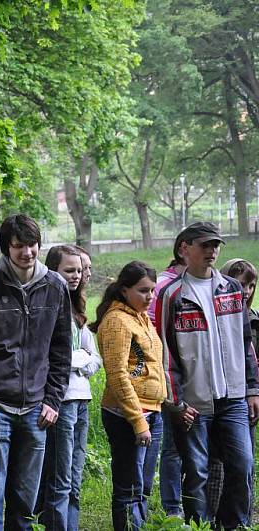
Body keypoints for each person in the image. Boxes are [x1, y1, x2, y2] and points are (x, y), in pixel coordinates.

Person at [0, 214, 72, 531]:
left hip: (37, 407)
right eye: (19, 246)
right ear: (7, 247)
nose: (27, 253)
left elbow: (62, 350)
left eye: (32, 245)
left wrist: (53, 400)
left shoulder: (56, 287)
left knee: (24, 501)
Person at [155, 222, 259, 527]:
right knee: (197, 470)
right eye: (204, 245)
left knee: (242, 465)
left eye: (216, 246)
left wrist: (253, 389)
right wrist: (176, 401)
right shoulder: (171, 294)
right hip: (194, 402)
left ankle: (233, 524)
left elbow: (245, 342)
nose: (212, 251)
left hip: (234, 398)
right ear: (185, 249)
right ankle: (199, 524)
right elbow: (166, 351)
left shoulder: (232, 288)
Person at [89, 261, 165, 531]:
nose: (150, 297)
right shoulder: (117, 321)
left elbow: (147, 365)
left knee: (142, 485)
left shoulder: (141, 317)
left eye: (153, 291)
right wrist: (138, 421)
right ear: (124, 290)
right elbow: (118, 375)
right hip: (127, 415)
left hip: (152, 411)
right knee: (129, 486)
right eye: (143, 291)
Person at [38, 245, 101, 531]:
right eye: (69, 270)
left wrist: (78, 361)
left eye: (79, 270)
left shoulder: (77, 308)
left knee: (75, 478)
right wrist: (77, 360)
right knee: (59, 479)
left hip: (82, 399)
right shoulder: (47, 305)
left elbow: (94, 358)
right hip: (60, 402)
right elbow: (52, 356)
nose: (76, 276)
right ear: (53, 270)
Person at [205, 258, 259, 518]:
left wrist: (253, 390)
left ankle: (241, 516)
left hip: (246, 395)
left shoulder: (254, 320)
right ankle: (212, 515)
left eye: (250, 285)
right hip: (216, 395)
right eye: (240, 284)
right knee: (215, 462)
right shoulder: (216, 313)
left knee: (244, 460)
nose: (245, 291)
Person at [148, 234, 186, 517]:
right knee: (172, 446)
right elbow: (153, 334)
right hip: (169, 376)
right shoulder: (164, 286)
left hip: (195, 377)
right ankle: (173, 509)